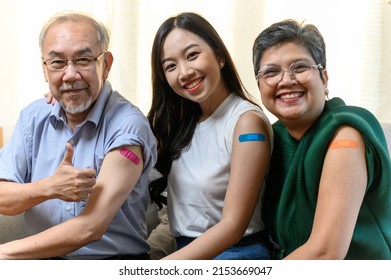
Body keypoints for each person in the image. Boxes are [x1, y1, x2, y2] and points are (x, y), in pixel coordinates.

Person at [0, 11, 157, 259]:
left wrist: (4, 254)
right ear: (45, 68)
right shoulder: (33, 118)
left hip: (110, 266)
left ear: (105, 65)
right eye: (58, 63)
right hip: (41, 264)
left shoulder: (128, 124)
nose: (70, 75)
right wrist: (48, 187)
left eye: (83, 60)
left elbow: (90, 227)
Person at [252, 19, 391, 259]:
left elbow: (325, 254)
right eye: (271, 72)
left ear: (324, 78)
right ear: (260, 85)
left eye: (300, 67)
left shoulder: (345, 134)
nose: (286, 80)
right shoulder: (273, 138)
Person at [147, 12, 273, 260]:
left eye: (192, 55)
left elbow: (233, 226)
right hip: (187, 251)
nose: (184, 72)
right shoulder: (181, 125)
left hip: (237, 252)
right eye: (170, 66)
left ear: (219, 56)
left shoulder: (246, 123)